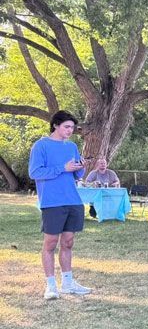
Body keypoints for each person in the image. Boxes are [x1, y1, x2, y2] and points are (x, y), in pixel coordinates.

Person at [28, 110, 93, 300]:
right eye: (66, 127)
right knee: (50, 243)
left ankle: (67, 283)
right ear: (55, 125)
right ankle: (50, 286)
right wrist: (62, 168)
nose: (70, 130)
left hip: (73, 200)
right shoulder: (41, 146)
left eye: (72, 127)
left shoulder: (71, 146)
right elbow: (35, 173)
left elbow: (77, 175)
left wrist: (81, 167)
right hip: (52, 201)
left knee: (68, 242)